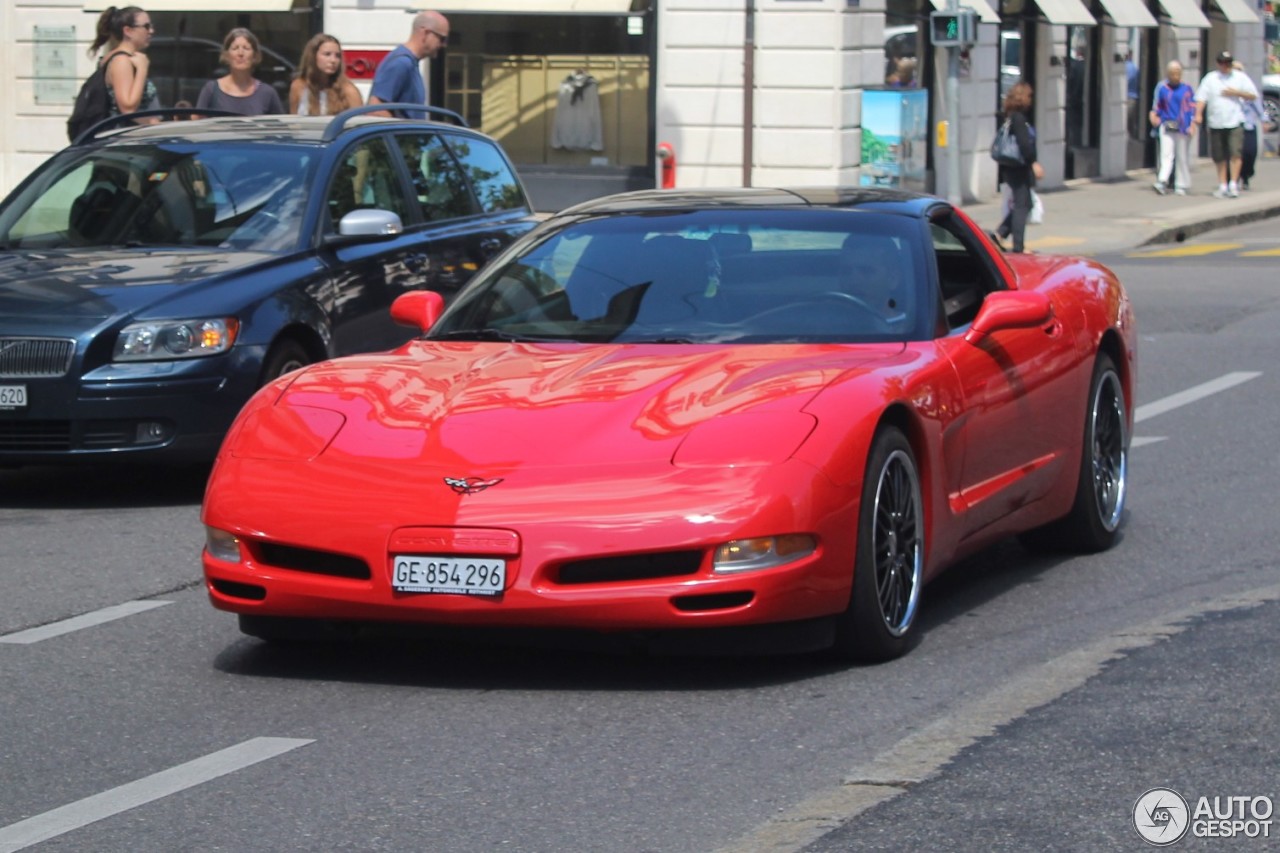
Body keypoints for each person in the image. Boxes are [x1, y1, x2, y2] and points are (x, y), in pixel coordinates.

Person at [1194, 50, 1258, 198]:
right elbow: (1201, 97)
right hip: (1216, 121)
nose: (1225, 66)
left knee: (1235, 153)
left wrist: (1236, 93)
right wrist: (1198, 114)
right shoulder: (1211, 78)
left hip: (1235, 121)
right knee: (1219, 155)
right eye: (1223, 63)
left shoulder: (1239, 77)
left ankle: (1233, 184)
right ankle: (1223, 184)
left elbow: (1253, 95)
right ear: (1218, 64)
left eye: (1228, 63)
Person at [367, 10, 450, 117]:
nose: (443, 45)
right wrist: (401, 132)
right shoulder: (401, 63)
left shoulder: (410, 63)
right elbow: (376, 110)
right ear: (425, 33)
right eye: (442, 39)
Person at [995, 81, 1043, 254]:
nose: (1031, 100)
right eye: (1029, 96)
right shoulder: (1019, 118)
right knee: (1021, 206)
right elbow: (1024, 144)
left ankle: (1000, 234)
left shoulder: (1011, 116)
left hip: (1011, 168)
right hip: (1018, 168)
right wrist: (1033, 163)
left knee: (1025, 203)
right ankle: (1018, 247)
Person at [90, 6, 159, 121]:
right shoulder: (121, 61)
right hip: (126, 136)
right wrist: (142, 69)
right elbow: (128, 109)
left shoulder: (124, 59)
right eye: (146, 27)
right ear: (128, 31)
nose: (151, 31)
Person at [196, 28, 284, 117]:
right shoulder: (211, 90)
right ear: (226, 55)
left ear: (254, 56)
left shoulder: (267, 93)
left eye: (246, 48)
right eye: (235, 48)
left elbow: (280, 128)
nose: (240, 53)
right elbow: (197, 124)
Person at [1149, 60, 1196, 196]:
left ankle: (1181, 184)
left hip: (1182, 126)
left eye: (1177, 73)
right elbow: (1158, 106)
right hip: (1167, 124)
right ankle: (1162, 181)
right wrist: (1155, 116)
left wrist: (1192, 125)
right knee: (1166, 155)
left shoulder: (1187, 89)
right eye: (1172, 73)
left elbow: (1192, 107)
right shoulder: (1163, 89)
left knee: (1181, 156)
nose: (1175, 76)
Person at [290, 33, 363, 116]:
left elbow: (359, 125)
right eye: (327, 54)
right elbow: (294, 122)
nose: (333, 60)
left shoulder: (349, 91)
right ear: (313, 57)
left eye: (337, 56)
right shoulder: (298, 86)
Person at [1234, 60, 1263, 190]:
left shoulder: (1249, 89)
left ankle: (1247, 173)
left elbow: (1257, 105)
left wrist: (1264, 120)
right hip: (1234, 125)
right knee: (1237, 153)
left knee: (1250, 152)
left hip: (1249, 125)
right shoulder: (1229, 90)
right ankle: (1238, 178)